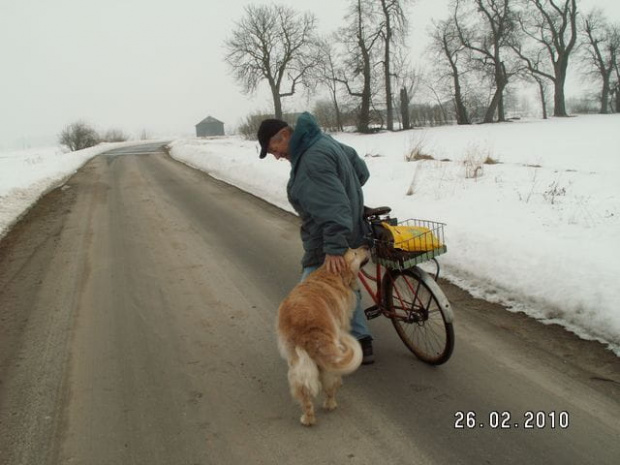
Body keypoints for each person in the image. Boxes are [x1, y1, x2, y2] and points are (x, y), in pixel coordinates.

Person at [257, 112, 374, 364]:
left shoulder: (310, 161)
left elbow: (332, 206)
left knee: (307, 295)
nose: (276, 155)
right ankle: (360, 338)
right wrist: (348, 193)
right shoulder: (322, 140)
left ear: (286, 135)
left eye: (274, 148)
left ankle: (310, 351)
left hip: (329, 237)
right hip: (348, 226)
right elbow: (360, 171)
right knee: (344, 282)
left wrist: (333, 248)